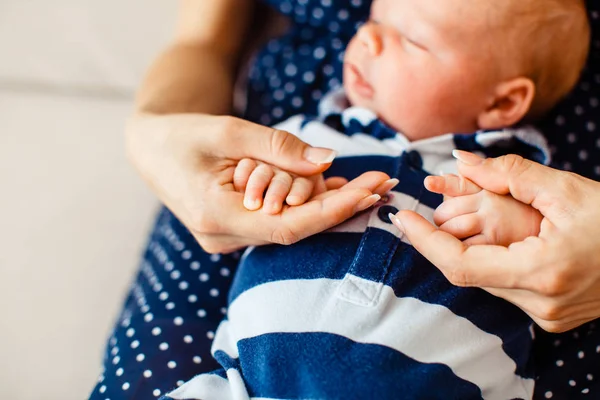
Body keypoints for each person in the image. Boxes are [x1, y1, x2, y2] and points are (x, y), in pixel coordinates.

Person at [89, 1, 600, 399]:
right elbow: (203, 45)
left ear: (503, 102)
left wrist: (510, 222)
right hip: (248, 377)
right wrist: (272, 183)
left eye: (411, 39)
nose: (367, 38)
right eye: (375, 19)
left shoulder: (526, 176)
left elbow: (541, 246)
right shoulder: (304, 138)